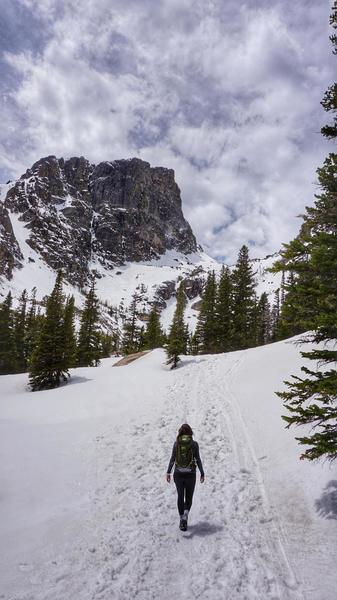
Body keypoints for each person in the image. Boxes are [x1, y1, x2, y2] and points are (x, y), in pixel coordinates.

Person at [166, 423, 205, 530]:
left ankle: (181, 518)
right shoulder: (194, 444)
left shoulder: (176, 444)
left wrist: (168, 472)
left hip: (178, 474)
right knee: (188, 497)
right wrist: (202, 472)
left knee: (180, 496)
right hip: (190, 474)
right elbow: (198, 459)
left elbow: (173, 458)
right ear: (190, 432)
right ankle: (185, 516)